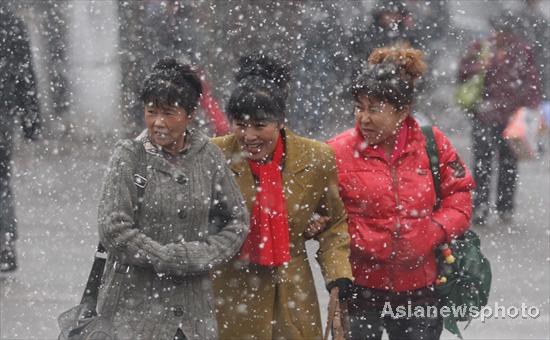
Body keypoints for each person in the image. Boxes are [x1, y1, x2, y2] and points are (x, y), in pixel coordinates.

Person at [327, 47, 475, 340]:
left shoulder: (432, 144)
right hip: (359, 290)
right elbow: (320, 212)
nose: (364, 118)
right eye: (359, 107)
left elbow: (460, 197)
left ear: (403, 110)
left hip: (420, 290)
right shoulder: (337, 151)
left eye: (375, 109)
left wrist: (434, 230)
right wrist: (352, 235)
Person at [96, 57, 249, 339]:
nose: (158, 123)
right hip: (134, 314)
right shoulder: (129, 157)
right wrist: (162, 256)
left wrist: (198, 255)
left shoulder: (209, 157)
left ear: (190, 114)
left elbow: (237, 220)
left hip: (193, 317)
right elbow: (113, 227)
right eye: (151, 112)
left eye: (168, 113)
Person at [211, 53, 353, 340]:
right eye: (240, 124)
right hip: (230, 294)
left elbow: (335, 223)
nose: (249, 136)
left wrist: (338, 276)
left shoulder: (316, 158)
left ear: (280, 121)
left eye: (260, 125)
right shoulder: (212, 155)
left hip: (293, 294)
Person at [458, 10, 542, 225]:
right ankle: (481, 207)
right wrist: (479, 67)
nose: (502, 35)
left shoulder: (522, 51)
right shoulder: (482, 48)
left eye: (506, 31)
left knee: (508, 162)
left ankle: (505, 207)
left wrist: (529, 109)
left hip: (511, 117)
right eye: (499, 30)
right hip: (484, 115)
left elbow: (531, 81)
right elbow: (462, 72)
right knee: (482, 163)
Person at [0, 7, 41, 272]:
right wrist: (31, 121)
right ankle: (4, 244)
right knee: (2, 181)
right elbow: (27, 75)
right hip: (4, 114)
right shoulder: (11, 21)